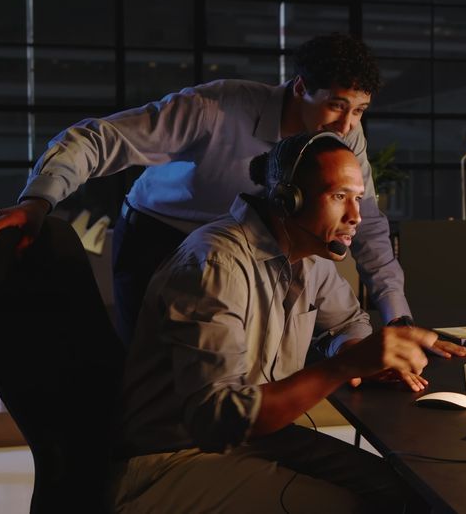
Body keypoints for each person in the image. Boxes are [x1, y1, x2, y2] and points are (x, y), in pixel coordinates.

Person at [0, 33, 466, 359]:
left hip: (250, 248)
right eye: (337, 106)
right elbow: (97, 139)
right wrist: (38, 200)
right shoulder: (215, 109)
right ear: (300, 88)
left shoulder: (341, 137)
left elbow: (371, 226)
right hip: (162, 235)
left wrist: (397, 315)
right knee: (157, 374)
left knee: (237, 370)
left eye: (359, 111)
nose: (347, 126)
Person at [111, 132, 437, 512]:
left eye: (358, 198)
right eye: (338, 197)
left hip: (260, 438)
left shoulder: (308, 256)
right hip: (174, 458)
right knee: (358, 507)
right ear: (287, 200)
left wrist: (358, 351)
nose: (356, 217)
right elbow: (221, 417)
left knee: (404, 491)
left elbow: (346, 322)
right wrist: (346, 364)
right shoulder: (215, 264)